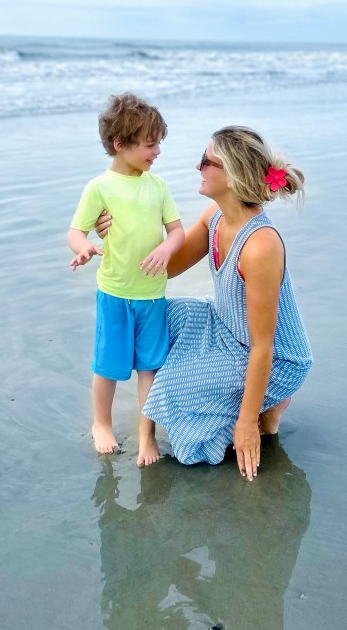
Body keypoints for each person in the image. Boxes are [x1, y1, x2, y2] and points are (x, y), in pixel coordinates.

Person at [97, 126, 312, 481]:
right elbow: (164, 269)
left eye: (206, 161)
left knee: (182, 428)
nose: (198, 167)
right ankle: (239, 405)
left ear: (231, 175)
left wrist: (247, 424)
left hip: (276, 357)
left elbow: (264, 345)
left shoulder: (260, 246)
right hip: (225, 326)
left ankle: (268, 409)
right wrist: (116, 230)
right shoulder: (216, 216)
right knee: (160, 317)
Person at [67, 93, 184, 467]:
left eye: (158, 143)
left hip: (152, 294)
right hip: (115, 292)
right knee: (108, 366)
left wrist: (166, 248)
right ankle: (101, 423)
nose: (157, 152)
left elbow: (177, 231)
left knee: (149, 367)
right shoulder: (99, 187)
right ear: (121, 144)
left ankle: (146, 435)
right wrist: (84, 247)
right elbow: (75, 231)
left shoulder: (158, 186)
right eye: (150, 144)